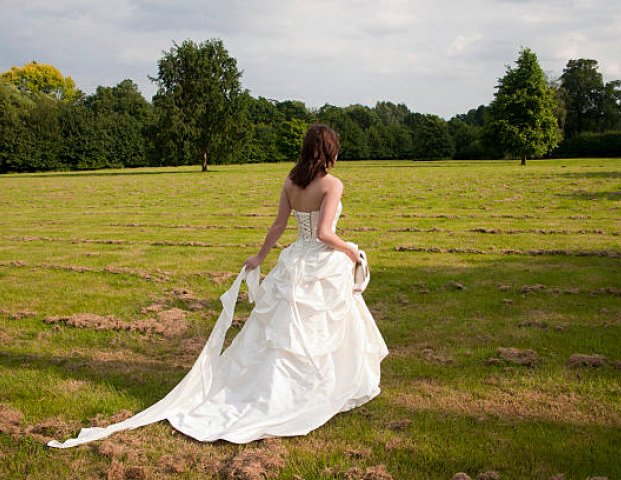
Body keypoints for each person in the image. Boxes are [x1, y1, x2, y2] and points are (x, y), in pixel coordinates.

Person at [47, 123, 389, 448]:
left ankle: (281, 387)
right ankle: (317, 388)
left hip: (295, 259)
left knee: (284, 334)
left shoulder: (290, 181)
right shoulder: (332, 184)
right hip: (317, 259)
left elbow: (278, 226)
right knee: (316, 330)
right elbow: (324, 234)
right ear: (329, 151)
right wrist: (352, 252)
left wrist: (259, 257)